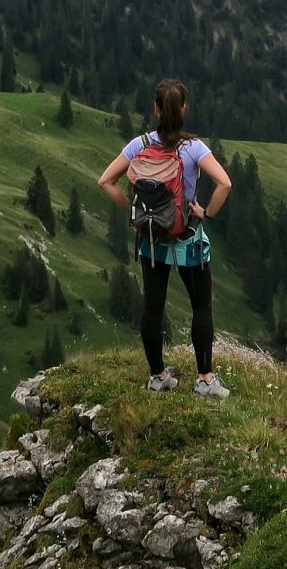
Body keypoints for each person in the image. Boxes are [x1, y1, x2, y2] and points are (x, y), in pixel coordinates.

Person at [98, 78, 234, 398]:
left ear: (156, 109)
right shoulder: (194, 149)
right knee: (201, 306)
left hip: (151, 240)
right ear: (184, 108)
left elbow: (105, 180)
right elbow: (224, 184)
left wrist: (133, 215)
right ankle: (204, 379)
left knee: (153, 308)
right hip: (187, 240)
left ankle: (158, 376)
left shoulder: (140, 145)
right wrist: (206, 213)